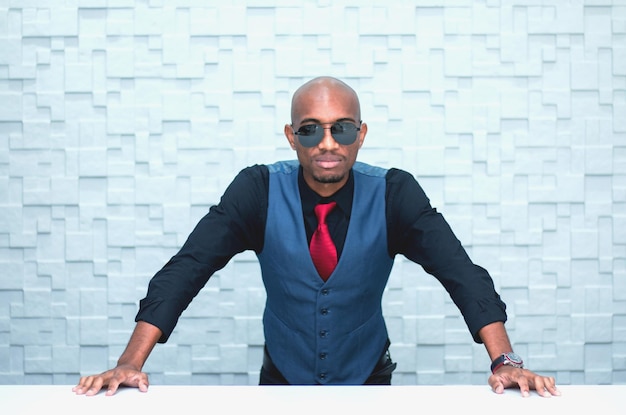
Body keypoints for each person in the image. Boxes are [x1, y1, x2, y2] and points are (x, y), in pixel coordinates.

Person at [73, 76, 559, 397]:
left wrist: (504, 361)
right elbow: (187, 268)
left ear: (361, 134)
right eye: (311, 131)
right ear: (291, 136)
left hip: (369, 380)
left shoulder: (394, 193)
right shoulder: (257, 190)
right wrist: (128, 363)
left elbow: (462, 275)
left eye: (341, 129)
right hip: (281, 381)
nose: (327, 143)